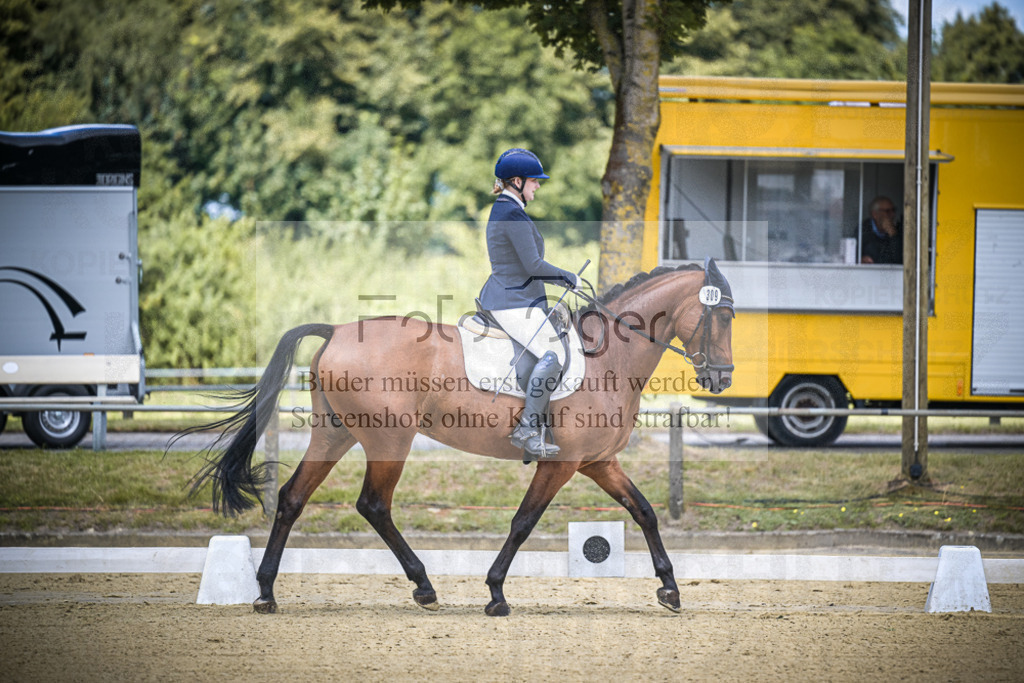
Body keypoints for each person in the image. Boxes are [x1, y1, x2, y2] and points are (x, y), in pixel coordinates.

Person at [478, 148, 580, 461]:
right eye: (535, 181)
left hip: (518, 298)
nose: (538, 187)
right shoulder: (510, 213)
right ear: (518, 181)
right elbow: (533, 264)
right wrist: (567, 276)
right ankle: (527, 429)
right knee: (553, 354)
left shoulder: (509, 210)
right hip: (511, 301)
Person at [860, 196, 903, 264]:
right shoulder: (862, 230)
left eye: (893, 210)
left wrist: (893, 235)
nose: (893, 215)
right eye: (887, 211)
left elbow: (900, 260)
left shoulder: (899, 230)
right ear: (875, 214)